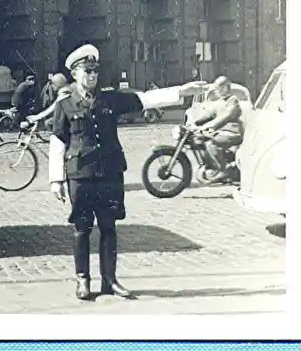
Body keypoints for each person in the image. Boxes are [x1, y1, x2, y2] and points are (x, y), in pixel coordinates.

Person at [48, 44, 207, 300]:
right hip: (80, 174)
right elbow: (58, 141)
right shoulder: (66, 104)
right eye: (87, 71)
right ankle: (83, 281)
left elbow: (144, 99)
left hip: (110, 172)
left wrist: (182, 91)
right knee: (82, 228)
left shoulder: (110, 99)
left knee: (109, 227)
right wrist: (56, 180)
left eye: (95, 71)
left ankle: (109, 281)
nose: (92, 76)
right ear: (75, 74)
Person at [190, 75, 244, 181]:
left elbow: (225, 117)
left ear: (225, 87)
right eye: (215, 88)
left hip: (232, 132)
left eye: (218, 87)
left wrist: (209, 125)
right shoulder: (220, 102)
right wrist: (194, 122)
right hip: (222, 132)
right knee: (200, 139)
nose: (216, 91)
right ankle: (211, 166)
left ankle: (222, 170)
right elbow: (209, 115)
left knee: (212, 143)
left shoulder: (233, 101)